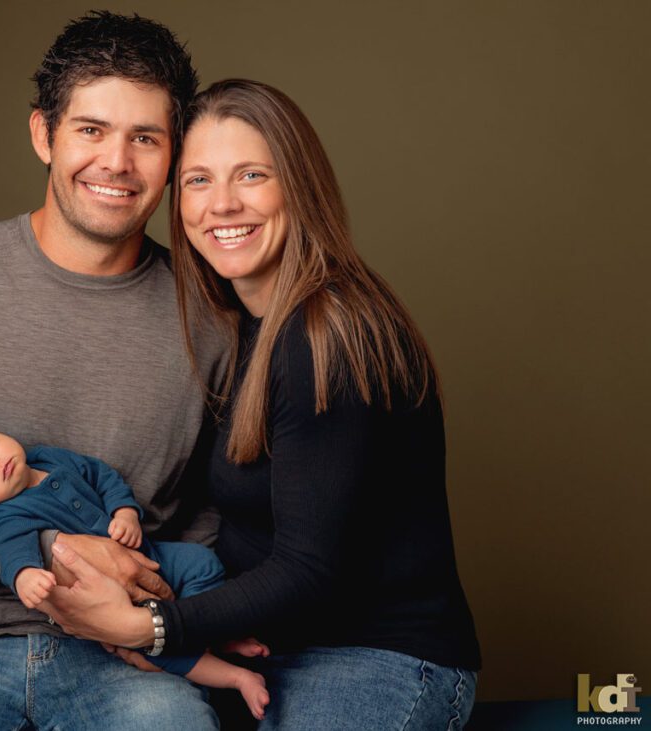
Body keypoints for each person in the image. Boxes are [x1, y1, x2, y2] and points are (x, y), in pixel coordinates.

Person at [39, 79, 483, 730]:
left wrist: (150, 625)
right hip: (271, 653)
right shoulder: (244, 325)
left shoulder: (327, 332)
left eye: (251, 175)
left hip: (380, 662)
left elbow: (308, 570)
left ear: (298, 186)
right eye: (198, 180)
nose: (222, 203)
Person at [0, 12, 228, 730]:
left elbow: (210, 509)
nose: (116, 162)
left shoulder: (209, 314)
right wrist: (58, 552)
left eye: (145, 138)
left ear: (173, 154)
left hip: (126, 656)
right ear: (43, 135)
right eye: (91, 129)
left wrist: (159, 623)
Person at [0, 418, 271, 719]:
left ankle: (213, 634)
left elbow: (100, 475)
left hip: (149, 555)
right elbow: (12, 551)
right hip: (112, 600)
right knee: (163, 646)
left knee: (202, 563)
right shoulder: (6, 514)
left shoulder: (46, 458)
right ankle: (235, 677)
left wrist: (125, 512)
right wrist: (25, 576)